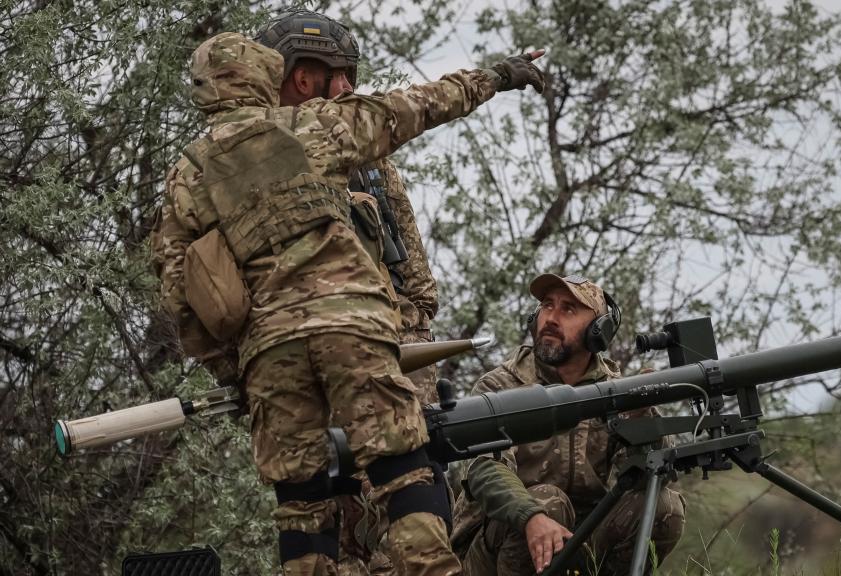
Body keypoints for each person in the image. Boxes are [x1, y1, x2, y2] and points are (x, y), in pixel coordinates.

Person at [151, 30, 544, 576]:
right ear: (267, 78)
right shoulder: (315, 126)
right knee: (403, 470)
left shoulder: (185, 176)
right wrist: (498, 76)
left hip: (268, 349)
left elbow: (178, 289)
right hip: (353, 325)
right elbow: (420, 104)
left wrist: (232, 371)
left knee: (301, 502)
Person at [255, 10, 440, 407]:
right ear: (297, 79)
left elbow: (417, 284)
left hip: (389, 348)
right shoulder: (249, 165)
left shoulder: (368, 163)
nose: (345, 88)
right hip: (305, 370)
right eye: (334, 75)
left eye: (348, 75)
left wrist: (411, 332)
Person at [450, 274, 685, 575]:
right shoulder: (500, 386)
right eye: (547, 306)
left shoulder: (616, 390)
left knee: (665, 508)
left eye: (568, 309)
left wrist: (640, 421)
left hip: (580, 544)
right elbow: (484, 467)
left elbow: (652, 478)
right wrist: (530, 516)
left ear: (598, 330)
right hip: (495, 552)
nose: (551, 318)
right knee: (549, 502)